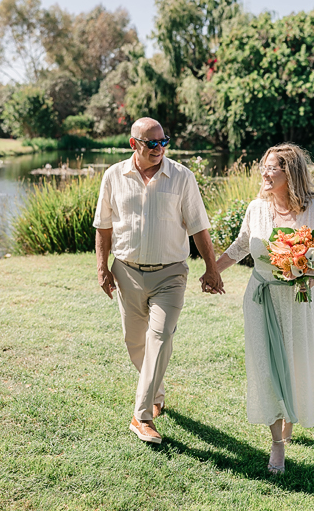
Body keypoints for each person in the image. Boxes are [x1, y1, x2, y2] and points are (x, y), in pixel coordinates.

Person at [94, 117, 224, 444]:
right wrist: (102, 267)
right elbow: (103, 226)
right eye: (152, 143)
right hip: (126, 272)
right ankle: (157, 392)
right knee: (135, 343)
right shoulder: (113, 176)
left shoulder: (182, 177)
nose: (159, 149)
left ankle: (142, 417)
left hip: (170, 274)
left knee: (160, 337)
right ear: (133, 144)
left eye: (164, 141)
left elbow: (198, 227)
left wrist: (212, 269)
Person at [213, 144, 314, 474]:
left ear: (291, 173)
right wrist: (213, 270)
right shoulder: (256, 208)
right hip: (261, 298)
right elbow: (241, 246)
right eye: (263, 168)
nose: (265, 174)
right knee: (266, 367)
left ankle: (290, 420)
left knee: (295, 364)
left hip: (299, 301)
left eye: (273, 169)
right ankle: (277, 444)